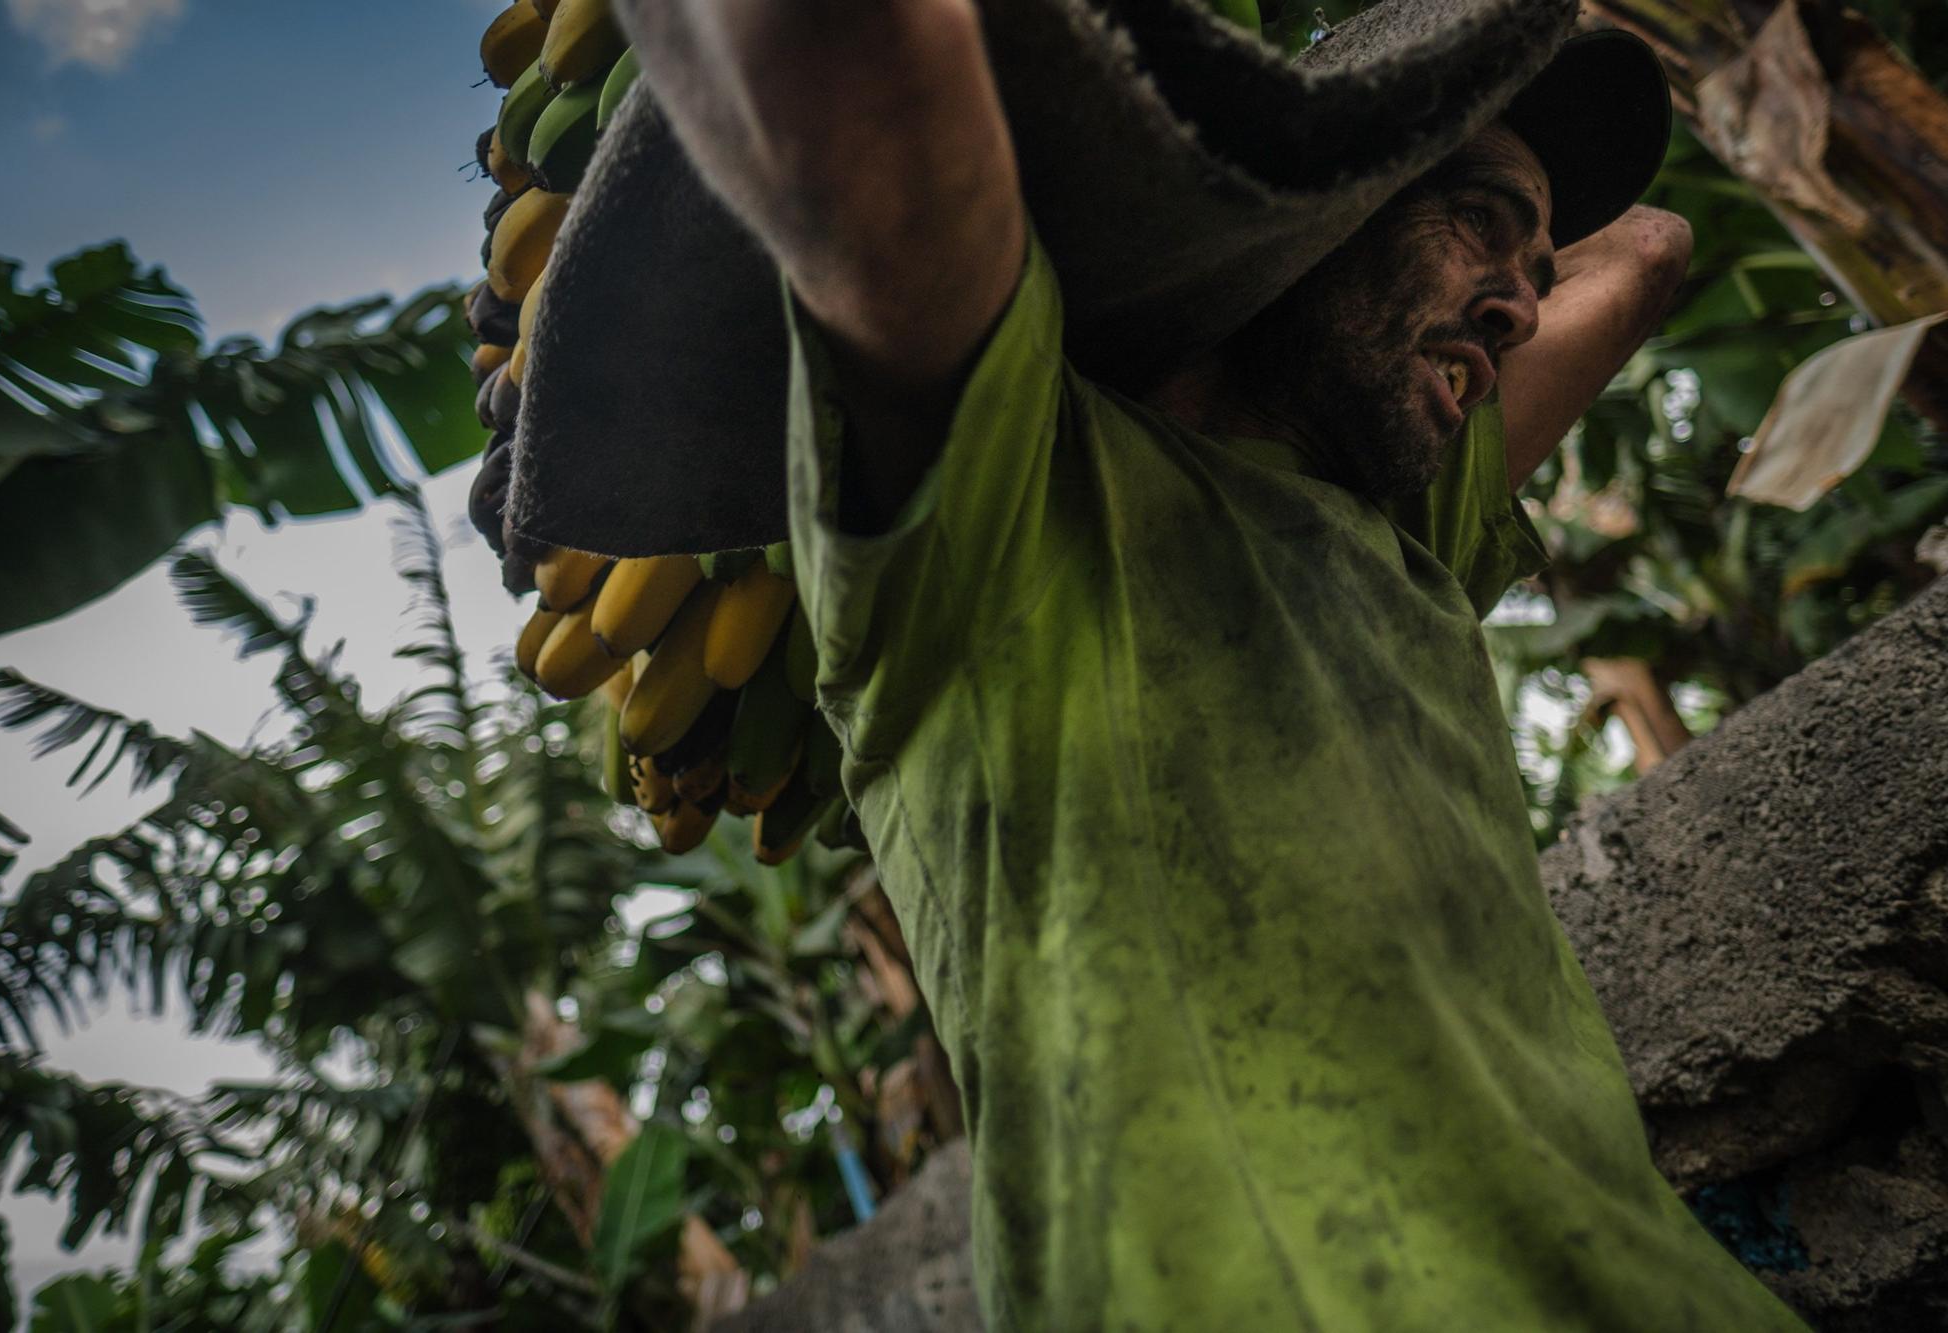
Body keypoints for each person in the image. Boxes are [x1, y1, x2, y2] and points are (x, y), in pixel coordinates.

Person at [629, 2, 1812, 1327]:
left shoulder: (1409, 535)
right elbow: (844, 59)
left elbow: (1649, 249)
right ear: (1318, 218)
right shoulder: (1013, 510)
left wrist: (1435, 194)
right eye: (1484, 222)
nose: (1526, 306)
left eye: (1537, 262)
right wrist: (1249, 195)